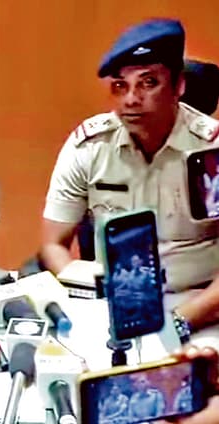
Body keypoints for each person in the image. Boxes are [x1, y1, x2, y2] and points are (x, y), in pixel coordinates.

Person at [37, 19, 219, 342]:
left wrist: (180, 322)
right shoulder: (90, 147)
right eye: (120, 86)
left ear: (179, 85)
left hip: (199, 308)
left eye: (148, 83)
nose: (131, 99)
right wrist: (88, 301)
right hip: (113, 305)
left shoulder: (212, 152)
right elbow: (53, 244)